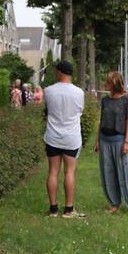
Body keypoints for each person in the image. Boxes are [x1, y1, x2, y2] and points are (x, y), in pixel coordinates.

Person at [95, 71, 128, 215]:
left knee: (127, 172)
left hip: (120, 140)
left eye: (107, 82)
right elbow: (101, 121)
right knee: (108, 173)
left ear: (114, 84)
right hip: (105, 140)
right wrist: (97, 140)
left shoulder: (127, 99)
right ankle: (114, 203)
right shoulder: (105, 100)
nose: (105, 84)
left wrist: (127, 141)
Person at [43, 61, 86, 218]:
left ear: (60, 72)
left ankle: (53, 209)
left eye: (56, 71)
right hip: (71, 138)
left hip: (53, 136)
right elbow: (80, 111)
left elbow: (47, 109)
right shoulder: (79, 92)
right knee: (70, 171)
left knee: (53, 172)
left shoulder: (48, 91)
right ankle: (68, 209)